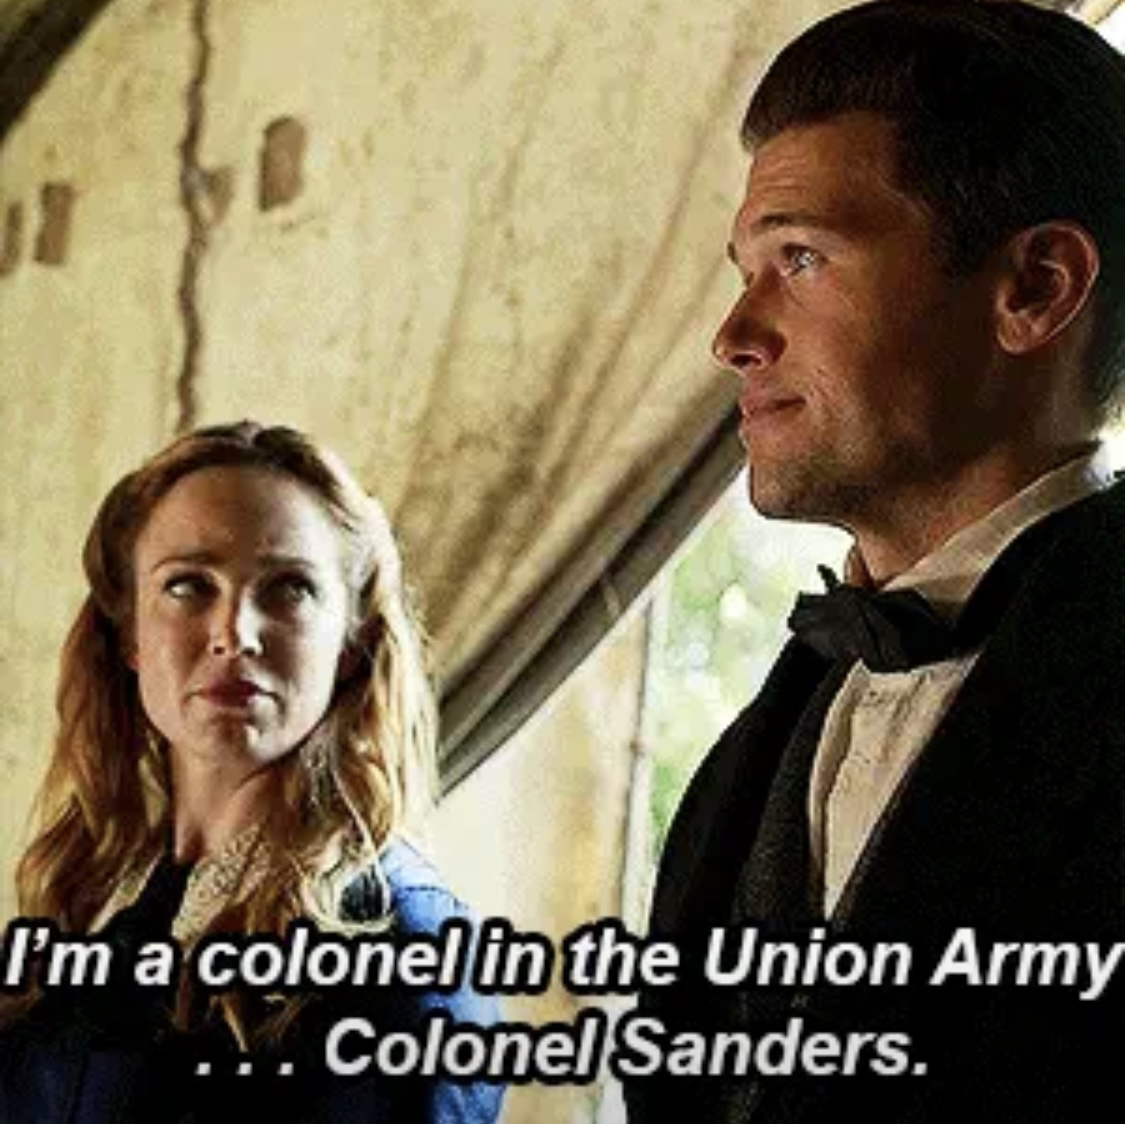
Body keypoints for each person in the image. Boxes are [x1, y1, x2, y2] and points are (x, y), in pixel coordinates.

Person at [628, 2, 1125, 1122]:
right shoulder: (753, 750)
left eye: (800, 258)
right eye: (748, 267)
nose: (733, 336)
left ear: (1036, 287)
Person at [0, 421, 504, 1123]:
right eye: (188, 585)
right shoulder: (105, 906)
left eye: (288, 589)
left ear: (350, 643)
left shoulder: (410, 949)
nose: (233, 633)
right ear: (130, 636)